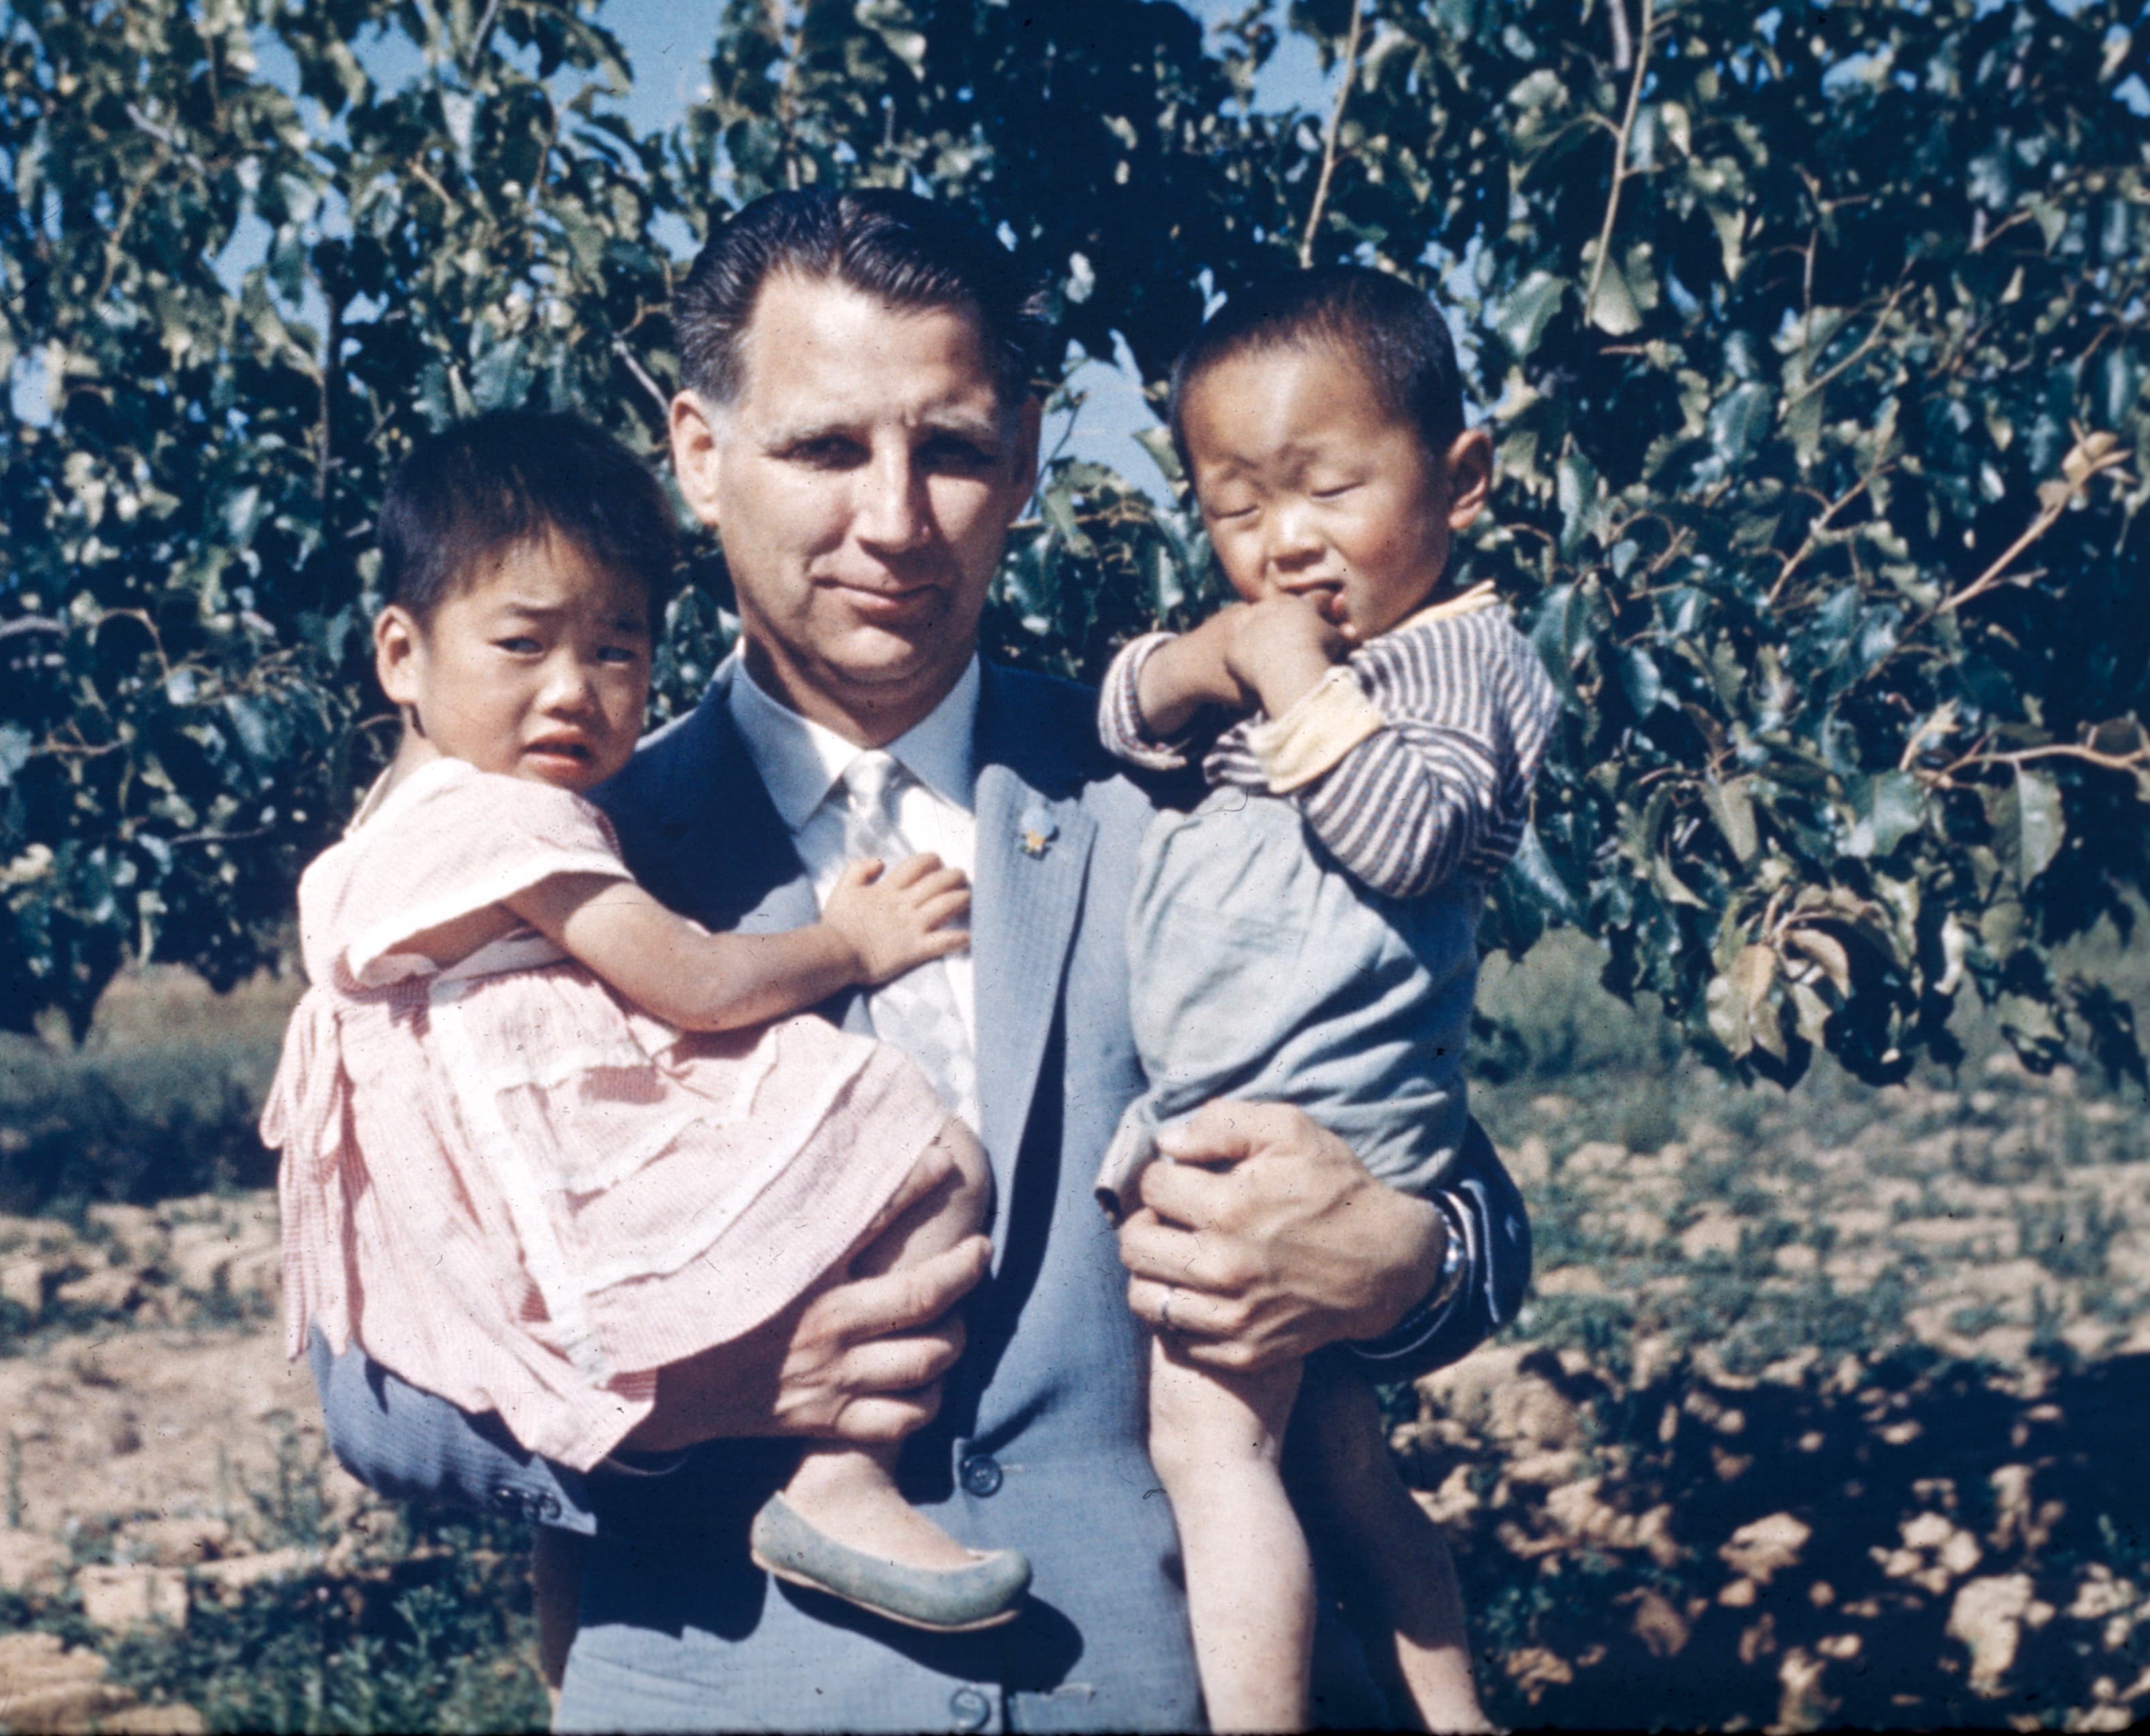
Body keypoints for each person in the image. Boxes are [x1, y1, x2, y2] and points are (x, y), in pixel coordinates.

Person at [312, 186, 1532, 1731]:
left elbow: (1457, 1186)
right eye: (825, 448)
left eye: (950, 450)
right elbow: (371, 1384)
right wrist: (683, 1405)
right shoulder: (531, 862)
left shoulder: (1200, 782)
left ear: (1025, 454)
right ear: (699, 453)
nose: (892, 519)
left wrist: (1397, 1263)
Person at [260, 409, 1038, 1635]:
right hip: (561, 1154)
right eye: (523, 645)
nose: (573, 691)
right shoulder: (514, 824)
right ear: (400, 656)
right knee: (927, 1154)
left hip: (489, 1186)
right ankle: (846, 1477)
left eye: (618, 653)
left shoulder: (397, 820)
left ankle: (574, 1629)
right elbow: (694, 984)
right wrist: (849, 941)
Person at [1091, 267, 1559, 1731]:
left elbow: (1415, 833)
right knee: (1344, 1459)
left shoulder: (1463, 662)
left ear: (1460, 478)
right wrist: (1206, 658)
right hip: (1251, 1096)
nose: (1285, 546)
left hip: (1316, 1130)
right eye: (1237, 511)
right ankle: (1452, 1710)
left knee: (1210, 1445)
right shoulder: (1283, 647)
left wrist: (1292, 685)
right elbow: (1120, 717)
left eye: (1329, 489)